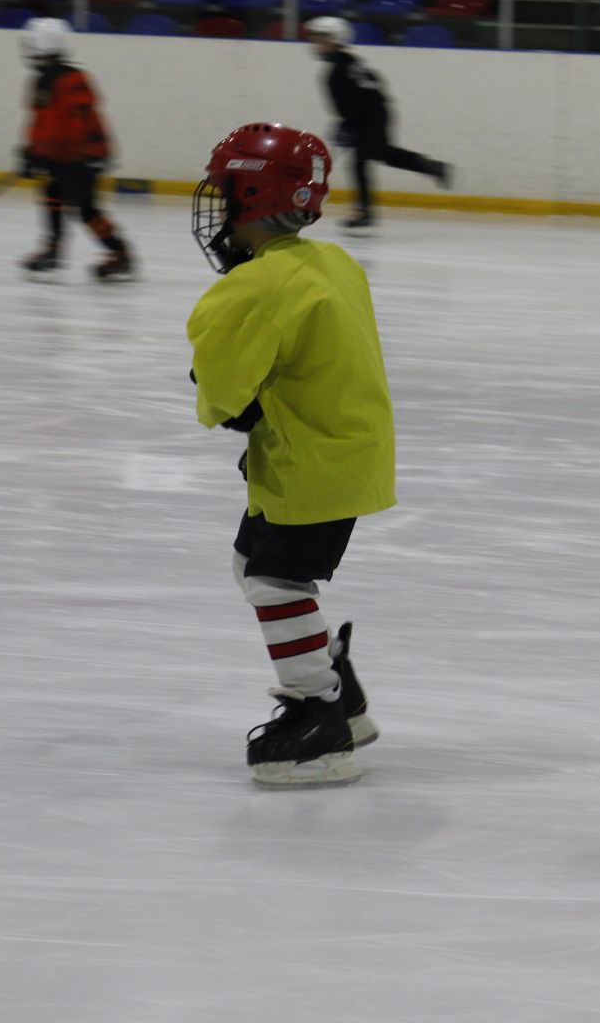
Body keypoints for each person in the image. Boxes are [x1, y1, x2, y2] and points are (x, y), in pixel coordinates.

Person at [187, 122, 397, 787]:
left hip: (313, 465)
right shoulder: (333, 262)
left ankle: (320, 719)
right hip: (342, 451)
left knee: (275, 583)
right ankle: (342, 694)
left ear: (252, 196)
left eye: (227, 193)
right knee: (254, 563)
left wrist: (220, 394)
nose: (218, 208)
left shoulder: (256, 285)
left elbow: (221, 393)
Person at [304, 16, 452, 228]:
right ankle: (432, 167)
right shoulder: (350, 62)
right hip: (376, 114)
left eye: (319, 39)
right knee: (383, 154)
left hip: (369, 117)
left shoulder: (337, 71)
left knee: (360, 162)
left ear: (335, 39)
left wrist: (348, 126)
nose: (315, 44)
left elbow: (351, 104)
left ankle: (364, 212)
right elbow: (375, 85)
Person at [16, 18, 134, 281]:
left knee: (86, 209)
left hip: (84, 155)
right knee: (51, 192)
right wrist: (30, 151)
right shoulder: (40, 82)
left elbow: (72, 125)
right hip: (61, 155)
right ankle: (53, 249)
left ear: (43, 45)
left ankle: (121, 254)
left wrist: (43, 153)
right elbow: (39, 121)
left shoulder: (73, 80)